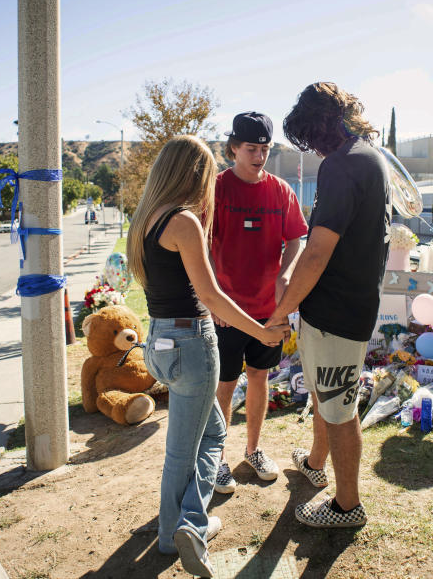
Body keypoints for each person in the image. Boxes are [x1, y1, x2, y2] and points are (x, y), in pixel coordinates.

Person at [127, 135, 288, 577]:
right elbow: (210, 295)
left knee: (211, 436)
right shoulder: (184, 222)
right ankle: (186, 529)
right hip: (191, 344)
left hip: (159, 342)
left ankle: (179, 526)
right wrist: (262, 331)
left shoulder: (144, 219)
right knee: (186, 450)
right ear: (193, 174)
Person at [265, 82, 391, 529]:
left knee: (339, 409)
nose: (314, 149)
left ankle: (347, 505)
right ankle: (316, 463)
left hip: (339, 311)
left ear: (322, 124)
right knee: (323, 394)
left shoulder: (344, 165)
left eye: (312, 137)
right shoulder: (367, 157)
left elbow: (318, 251)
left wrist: (280, 312)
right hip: (334, 308)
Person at [210, 111, 308, 495]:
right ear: (234, 148)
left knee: (259, 378)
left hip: (269, 311)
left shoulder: (281, 191)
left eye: (264, 149)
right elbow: (198, 243)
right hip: (225, 310)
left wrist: (285, 275)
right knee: (224, 385)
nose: (258, 156)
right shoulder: (216, 189)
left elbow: (296, 239)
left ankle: (253, 449)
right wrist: (211, 297)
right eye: (251, 148)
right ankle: (216, 460)